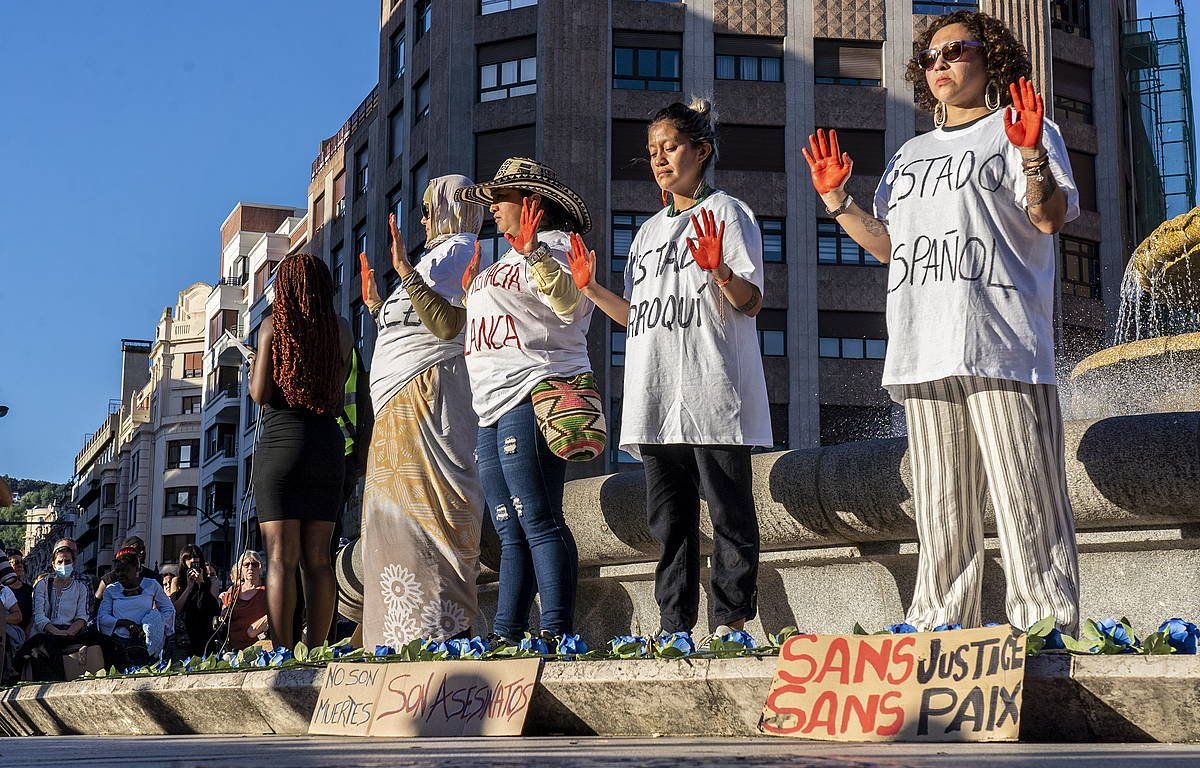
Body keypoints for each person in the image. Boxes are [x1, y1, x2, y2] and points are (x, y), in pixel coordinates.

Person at [802, 10, 1080, 632]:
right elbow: (886, 246)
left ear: (992, 60)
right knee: (940, 509)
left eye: (955, 51)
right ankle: (937, 628)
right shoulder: (910, 154)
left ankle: (1047, 628)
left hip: (1000, 341)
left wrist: (1032, 154)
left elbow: (1050, 218)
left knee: (1026, 500)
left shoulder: (1022, 131)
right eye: (929, 57)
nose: (940, 65)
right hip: (922, 345)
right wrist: (836, 201)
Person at [567, 99, 771, 646]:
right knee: (669, 523)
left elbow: (750, 302)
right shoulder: (648, 232)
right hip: (656, 393)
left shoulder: (729, 213)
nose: (660, 159)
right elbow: (636, 317)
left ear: (701, 151)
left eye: (671, 147)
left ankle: (730, 622)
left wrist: (720, 269)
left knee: (729, 512)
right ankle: (673, 625)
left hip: (711, 387)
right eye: (653, 151)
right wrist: (590, 288)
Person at [452, 158, 596, 644]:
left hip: (533, 392)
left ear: (532, 203)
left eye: (501, 199)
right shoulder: (502, 263)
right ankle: (506, 634)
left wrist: (534, 253)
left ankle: (557, 631)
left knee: (538, 516)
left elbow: (569, 304)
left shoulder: (557, 250)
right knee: (509, 527)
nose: (492, 209)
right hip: (490, 405)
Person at [357, 175, 486, 648]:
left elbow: (447, 325)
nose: (424, 219)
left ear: (454, 208)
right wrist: (375, 304)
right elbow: (408, 326)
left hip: (430, 399)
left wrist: (406, 271)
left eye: (430, 208)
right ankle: (395, 638)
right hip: (398, 404)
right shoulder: (438, 256)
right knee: (393, 528)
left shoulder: (461, 252)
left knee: (427, 520)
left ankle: (438, 634)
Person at [250, 252, 353, 648]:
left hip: (282, 447)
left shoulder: (272, 327)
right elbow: (337, 388)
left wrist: (255, 368)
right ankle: (318, 646)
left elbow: (261, 395)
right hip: (327, 448)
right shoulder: (341, 330)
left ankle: (281, 651)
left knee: (280, 558)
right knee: (319, 559)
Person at [19, 540, 97, 680]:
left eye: (67, 561)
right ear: (53, 564)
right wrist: (57, 632)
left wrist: (69, 633)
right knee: (41, 649)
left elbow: (82, 616)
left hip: (71, 631)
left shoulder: (81, 587)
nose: (64, 565)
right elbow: (40, 617)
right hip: (48, 632)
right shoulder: (42, 585)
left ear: (73, 563)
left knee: (103, 642)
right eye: (60, 562)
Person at [97, 550, 175, 664]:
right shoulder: (110, 589)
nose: (120, 574)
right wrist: (124, 623)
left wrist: (152, 625)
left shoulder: (152, 585)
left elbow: (168, 609)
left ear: (137, 569)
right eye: (118, 571)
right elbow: (102, 617)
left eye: (125, 570)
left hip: (147, 642)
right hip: (118, 643)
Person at [166, 545, 220, 657]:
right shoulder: (177, 581)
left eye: (195, 557)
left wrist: (201, 583)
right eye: (188, 558)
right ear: (183, 561)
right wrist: (189, 587)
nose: (192, 560)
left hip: (204, 628)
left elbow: (213, 606)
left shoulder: (211, 581)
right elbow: (175, 609)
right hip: (185, 631)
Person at [217, 551, 268, 651]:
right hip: (233, 649)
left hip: (259, 649)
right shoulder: (233, 591)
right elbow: (223, 615)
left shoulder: (267, 591)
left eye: (254, 564)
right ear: (241, 568)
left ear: (260, 567)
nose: (250, 568)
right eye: (246, 565)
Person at [94, 536, 157, 606]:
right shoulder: (109, 579)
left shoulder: (154, 578)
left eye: (143, 549)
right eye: (138, 548)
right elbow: (96, 603)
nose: (142, 552)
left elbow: (160, 607)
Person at [8, 552, 33, 638]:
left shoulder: (29, 590)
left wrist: (28, 631)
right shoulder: (3, 591)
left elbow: (34, 614)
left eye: (22, 562)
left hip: (27, 635)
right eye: (16, 562)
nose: (20, 565)